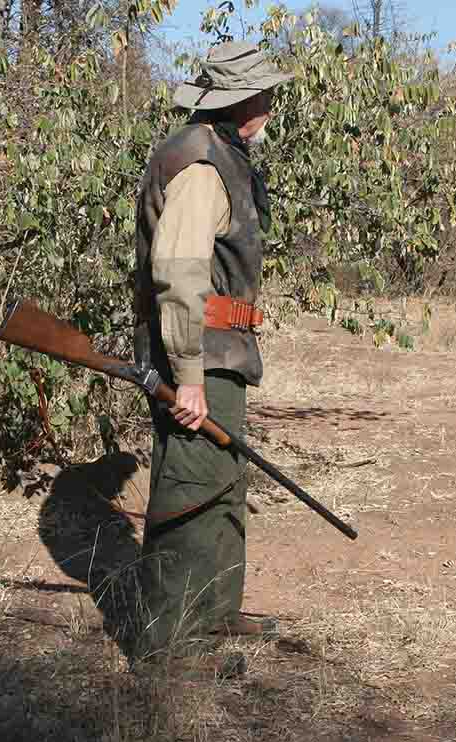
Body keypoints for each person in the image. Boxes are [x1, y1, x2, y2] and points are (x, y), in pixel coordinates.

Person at [130, 41, 293, 675]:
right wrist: (189, 376)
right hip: (197, 356)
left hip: (223, 354)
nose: (271, 106)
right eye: (264, 94)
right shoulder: (201, 164)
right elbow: (177, 273)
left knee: (224, 482)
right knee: (191, 490)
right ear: (241, 101)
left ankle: (215, 609)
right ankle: (171, 646)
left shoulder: (223, 154)